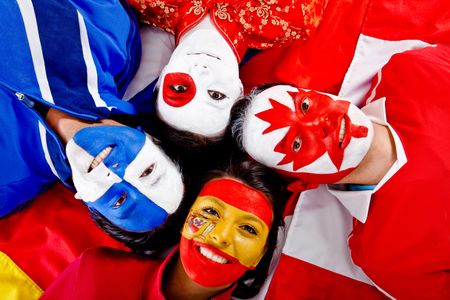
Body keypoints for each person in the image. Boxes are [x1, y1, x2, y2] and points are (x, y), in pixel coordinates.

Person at [230, 45, 450, 298]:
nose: (319, 124)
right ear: (302, 183)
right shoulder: (381, 255)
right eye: (296, 144)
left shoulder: (412, 72)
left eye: (304, 106)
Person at [0, 0, 184, 233]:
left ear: (88, 202)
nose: (115, 174)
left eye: (119, 201)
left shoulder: (4, 187)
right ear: (153, 140)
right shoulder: (111, 31)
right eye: (147, 172)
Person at [40, 158, 286, 299]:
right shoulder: (95, 273)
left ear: (263, 253)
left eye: (248, 229)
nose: (220, 236)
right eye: (210, 212)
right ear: (183, 220)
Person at [126, 0, 327, 148]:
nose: (201, 75)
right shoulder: (293, 19)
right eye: (216, 95)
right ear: (240, 91)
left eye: (179, 89)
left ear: (159, 81)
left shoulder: (144, 2)